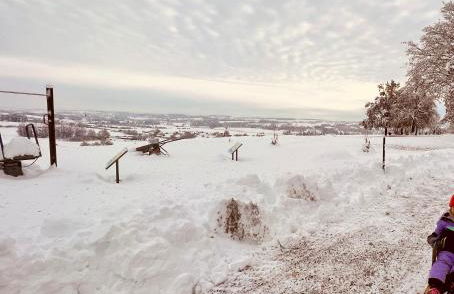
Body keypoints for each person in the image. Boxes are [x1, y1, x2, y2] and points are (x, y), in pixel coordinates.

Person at [426, 195, 454, 294]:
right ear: (451, 207)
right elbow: (436, 233)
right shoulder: (445, 220)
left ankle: (451, 286)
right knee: (441, 265)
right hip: (446, 251)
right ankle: (435, 287)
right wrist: (433, 239)